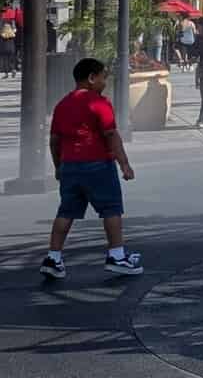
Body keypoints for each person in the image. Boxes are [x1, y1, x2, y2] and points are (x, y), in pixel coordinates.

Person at [39, 57, 141, 279]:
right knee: (111, 209)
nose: (105, 82)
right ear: (91, 78)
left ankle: (53, 258)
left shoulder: (62, 105)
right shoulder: (99, 103)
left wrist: (59, 166)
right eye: (103, 77)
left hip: (70, 166)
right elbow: (111, 135)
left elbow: (54, 141)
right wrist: (124, 164)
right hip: (98, 165)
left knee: (66, 211)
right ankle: (116, 256)